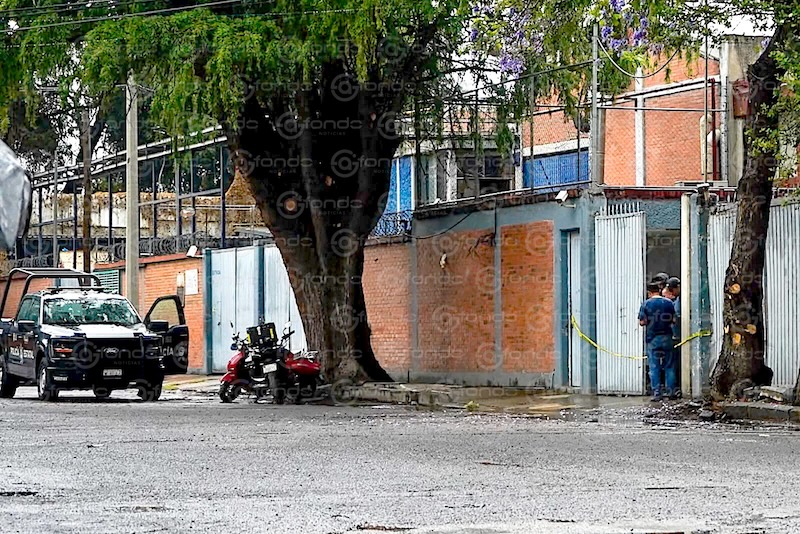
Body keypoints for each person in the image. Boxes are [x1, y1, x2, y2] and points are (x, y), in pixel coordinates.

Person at [638, 282, 677, 401]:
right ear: (659, 291)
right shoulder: (669, 303)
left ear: (649, 293)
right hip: (667, 338)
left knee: (654, 367)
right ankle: (670, 392)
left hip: (653, 339)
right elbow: (674, 320)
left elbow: (642, 322)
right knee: (669, 366)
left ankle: (657, 393)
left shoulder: (646, 304)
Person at [664, 277, 681, 398]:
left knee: (670, 365)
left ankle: (671, 390)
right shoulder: (675, 303)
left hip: (675, 337)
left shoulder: (678, 303)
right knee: (672, 365)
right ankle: (672, 390)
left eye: (672, 290)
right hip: (674, 337)